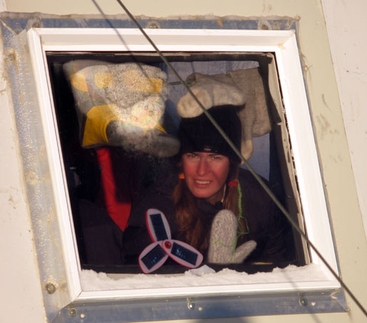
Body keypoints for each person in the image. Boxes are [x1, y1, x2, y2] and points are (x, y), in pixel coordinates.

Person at [123, 104, 295, 266]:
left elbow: (278, 263)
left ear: (232, 163)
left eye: (215, 157)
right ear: (180, 160)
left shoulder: (259, 198)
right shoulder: (157, 209)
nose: (202, 170)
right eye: (193, 156)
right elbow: (138, 279)